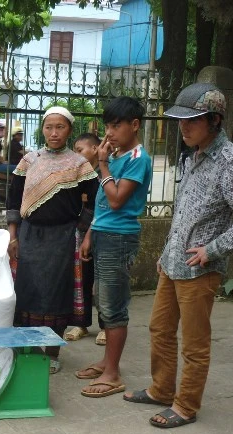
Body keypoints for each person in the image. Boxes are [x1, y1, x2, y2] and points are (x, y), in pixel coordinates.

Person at [123, 83, 233, 427]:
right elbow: (185, 213)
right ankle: (161, 389)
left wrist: (212, 250)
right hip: (173, 264)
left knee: (194, 343)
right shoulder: (194, 155)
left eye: (191, 121)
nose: (183, 127)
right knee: (159, 329)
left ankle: (186, 405)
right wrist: (166, 250)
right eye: (179, 121)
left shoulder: (229, 161)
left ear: (215, 121)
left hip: (200, 270)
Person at [6, 106, 99, 374]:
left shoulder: (79, 164)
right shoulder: (30, 161)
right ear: (42, 129)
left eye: (60, 127)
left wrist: (80, 231)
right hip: (30, 235)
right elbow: (14, 198)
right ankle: (32, 352)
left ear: (69, 130)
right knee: (29, 291)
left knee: (57, 293)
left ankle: (53, 353)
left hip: (62, 237)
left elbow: (94, 202)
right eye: (49, 127)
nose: (54, 133)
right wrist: (13, 236)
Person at [77, 97, 152, 397]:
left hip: (120, 238)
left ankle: (113, 373)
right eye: (107, 125)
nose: (109, 132)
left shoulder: (137, 159)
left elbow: (116, 199)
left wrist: (104, 164)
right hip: (105, 233)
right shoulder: (118, 154)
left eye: (116, 125)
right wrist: (90, 234)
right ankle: (106, 361)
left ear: (134, 125)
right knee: (103, 300)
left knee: (113, 305)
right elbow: (101, 204)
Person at [68, 133, 107, 346]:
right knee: (82, 279)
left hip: (102, 233)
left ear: (94, 149)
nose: (77, 154)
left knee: (102, 281)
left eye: (80, 150)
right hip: (81, 232)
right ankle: (81, 323)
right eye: (74, 150)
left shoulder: (104, 172)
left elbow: (101, 206)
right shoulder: (79, 174)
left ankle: (105, 326)